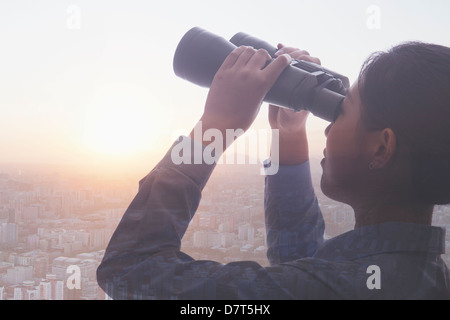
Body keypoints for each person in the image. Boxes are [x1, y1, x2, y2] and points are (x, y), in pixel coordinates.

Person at [96, 41, 450, 299]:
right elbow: (302, 266)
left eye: (342, 110)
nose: (326, 128)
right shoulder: (415, 274)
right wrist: (289, 134)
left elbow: (129, 270)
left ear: (381, 147)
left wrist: (213, 129)